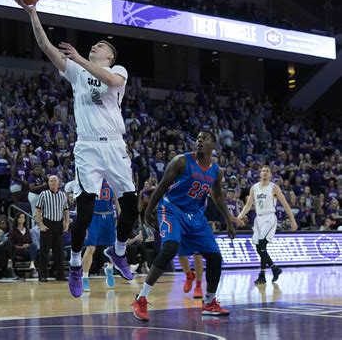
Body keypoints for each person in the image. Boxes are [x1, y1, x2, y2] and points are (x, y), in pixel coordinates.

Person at [15, 0, 138, 297]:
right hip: (88, 148)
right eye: (93, 46)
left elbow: (108, 79)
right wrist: (33, 12)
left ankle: (118, 252)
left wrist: (82, 58)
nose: (95, 48)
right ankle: (73, 264)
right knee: (83, 214)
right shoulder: (76, 72)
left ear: (109, 55)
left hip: (115, 146)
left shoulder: (117, 69)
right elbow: (46, 46)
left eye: (100, 46)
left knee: (132, 206)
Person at [131, 131, 238, 322]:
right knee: (170, 248)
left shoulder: (217, 171)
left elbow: (218, 196)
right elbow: (162, 185)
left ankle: (209, 302)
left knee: (215, 257)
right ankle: (141, 298)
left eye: (205, 139)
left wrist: (229, 221)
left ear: (213, 145)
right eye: (197, 138)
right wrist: (148, 211)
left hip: (195, 216)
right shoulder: (181, 161)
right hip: (172, 209)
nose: (199, 141)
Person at [237, 163, 298, 285]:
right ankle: (265, 274)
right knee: (260, 248)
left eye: (267, 171)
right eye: (263, 170)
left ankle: (272, 269)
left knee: (261, 246)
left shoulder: (274, 187)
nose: (264, 172)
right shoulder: (254, 187)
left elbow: (285, 204)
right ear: (260, 173)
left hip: (269, 217)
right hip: (258, 219)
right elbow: (249, 204)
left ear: (270, 174)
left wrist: (293, 221)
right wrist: (240, 215)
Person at [82, 179, 119, 292]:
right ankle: (85, 277)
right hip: (94, 216)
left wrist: (120, 216)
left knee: (112, 248)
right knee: (91, 248)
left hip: (108, 216)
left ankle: (109, 269)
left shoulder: (112, 180)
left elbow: (117, 200)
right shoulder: (90, 179)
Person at [35, 175, 69, 282]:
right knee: (44, 251)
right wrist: (40, 224)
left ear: (58, 183)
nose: (53, 182)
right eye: (51, 181)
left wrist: (66, 222)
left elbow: (66, 209)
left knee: (59, 251)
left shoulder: (63, 195)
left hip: (58, 225)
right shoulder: (43, 194)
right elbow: (38, 210)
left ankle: (59, 274)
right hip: (47, 224)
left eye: (55, 181)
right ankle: (42, 275)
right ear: (48, 183)